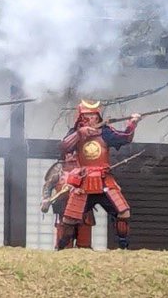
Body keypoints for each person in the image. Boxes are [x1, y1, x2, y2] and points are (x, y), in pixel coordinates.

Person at [55, 100, 139, 250]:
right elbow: (63, 147)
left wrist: (132, 123)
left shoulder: (105, 132)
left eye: (93, 115)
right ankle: (61, 249)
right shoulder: (74, 133)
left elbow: (125, 137)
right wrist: (79, 134)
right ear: (80, 117)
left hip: (104, 180)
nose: (91, 119)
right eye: (87, 116)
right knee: (69, 219)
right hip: (84, 182)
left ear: (98, 117)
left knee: (123, 213)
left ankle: (123, 247)